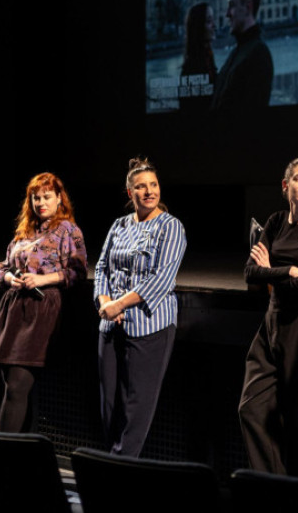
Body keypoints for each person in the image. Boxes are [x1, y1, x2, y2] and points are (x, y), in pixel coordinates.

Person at [238, 157, 298, 477]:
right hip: (272, 323)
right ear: (286, 186)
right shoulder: (276, 220)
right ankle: (273, 485)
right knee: (251, 408)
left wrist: (273, 271)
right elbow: (251, 273)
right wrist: (290, 269)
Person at [95, 157, 187, 456]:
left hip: (150, 327)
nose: (149, 191)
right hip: (111, 324)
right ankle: (108, 465)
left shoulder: (171, 227)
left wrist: (121, 303)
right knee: (110, 404)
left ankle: (119, 472)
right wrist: (106, 302)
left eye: (154, 185)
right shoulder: (119, 225)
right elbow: (101, 269)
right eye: (141, 187)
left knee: (136, 409)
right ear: (129, 193)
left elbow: (161, 279)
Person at [0, 172, 88, 433]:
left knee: (17, 386)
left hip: (41, 309)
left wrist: (43, 280)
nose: (41, 202)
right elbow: (2, 267)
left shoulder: (69, 230)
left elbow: (78, 272)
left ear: (58, 199)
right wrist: (10, 278)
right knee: (14, 385)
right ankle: (22, 460)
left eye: (46, 197)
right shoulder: (24, 232)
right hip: (14, 310)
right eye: (36, 198)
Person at [210, 0, 274, 114]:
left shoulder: (258, 54)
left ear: (247, 7)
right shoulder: (237, 52)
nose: (227, 14)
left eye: (232, 5)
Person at [179, 1, 217, 113]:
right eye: (209, 21)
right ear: (199, 28)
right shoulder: (193, 68)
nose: (214, 25)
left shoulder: (207, 57)